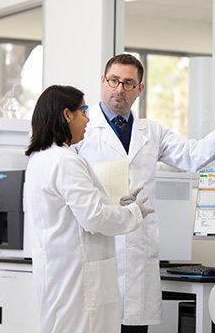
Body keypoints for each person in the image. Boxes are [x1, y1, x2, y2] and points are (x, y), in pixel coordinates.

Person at [74, 54, 215, 332]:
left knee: (134, 326)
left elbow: (190, 156)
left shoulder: (151, 132)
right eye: (113, 81)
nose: (119, 89)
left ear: (140, 89)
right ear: (102, 81)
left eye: (128, 83)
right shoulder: (82, 130)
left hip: (138, 257)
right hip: (98, 251)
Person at [24, 85, 154, 332]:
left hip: (58, 274)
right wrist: (133, 213)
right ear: (66, 115)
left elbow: (73, 213)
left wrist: (116, 206)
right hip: (79, 282)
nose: (87, 119)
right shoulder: (65, 161)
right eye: (83, 111)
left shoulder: (41, 159)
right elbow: (93, 218)